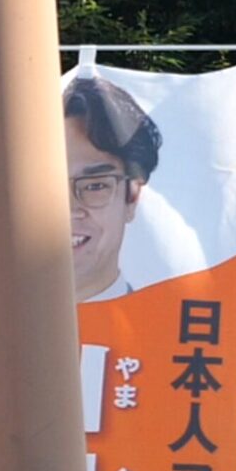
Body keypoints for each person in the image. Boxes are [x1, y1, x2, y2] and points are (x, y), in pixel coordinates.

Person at [66, 75, 164, 303]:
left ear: (132, 195)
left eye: (94, 185)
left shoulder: (165, 329)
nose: (69, 209)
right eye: (45, 187)